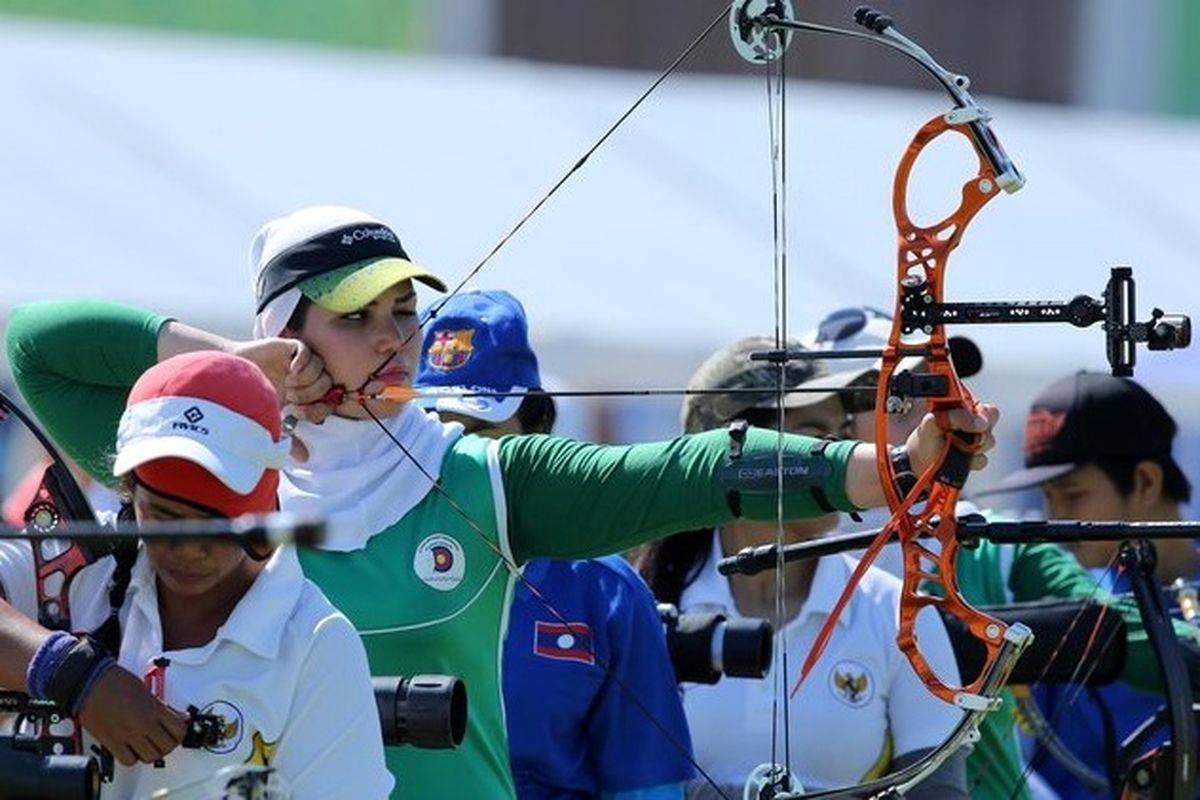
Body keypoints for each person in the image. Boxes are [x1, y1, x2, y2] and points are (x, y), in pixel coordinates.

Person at [4, 205, 999, 799]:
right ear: (288, 327)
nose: (394, 338)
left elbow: (690, 470)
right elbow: (37, 345)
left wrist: (897, 465)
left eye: (405, 311)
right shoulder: (203, 462)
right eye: (357, 315)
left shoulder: (480, 477)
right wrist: (229, 359)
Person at [804, 307, 1200, 800]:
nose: (933, 414)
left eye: (936, 389)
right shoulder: (787, 553)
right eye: (900, 397)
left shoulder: (989, 541)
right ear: (830, 428)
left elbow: (1114, 622)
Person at [0, 349, 390, 799]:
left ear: (264, 505)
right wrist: (71, 674)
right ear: (129, 491)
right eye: (163, 516)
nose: (187, 549)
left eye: (214, 524)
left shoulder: (315, 641)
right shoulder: (79, 565)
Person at [635, 338, 968, 799]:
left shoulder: (897, 612)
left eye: (842, 435)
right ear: (731, 457)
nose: (841, 456)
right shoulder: (641, 605)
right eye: (814, 438)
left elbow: (938, 792)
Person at [415, 288, 694, 800]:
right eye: (433, 432)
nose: (454, 455)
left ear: (538, 430)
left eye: (478, 432)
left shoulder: (607, 592)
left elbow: (647, 787)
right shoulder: (359, 560)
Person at [981, 372, 1198, 800]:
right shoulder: (1061, 592)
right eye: (1047, 496)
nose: (1056, 518)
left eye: (1073, 494)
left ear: (1146, 482)